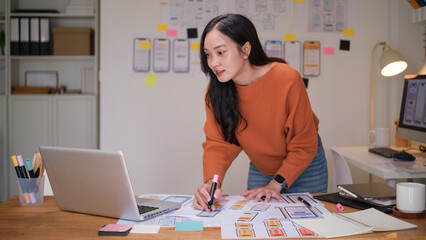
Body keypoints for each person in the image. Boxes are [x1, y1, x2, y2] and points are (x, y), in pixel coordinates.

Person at [193, 13, 328, 212]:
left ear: (245, 49)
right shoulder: (216, 92)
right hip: (262, 168)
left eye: (220, 52)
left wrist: (276, 184)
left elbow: (303, 144)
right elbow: (218, 144)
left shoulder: (287, 78)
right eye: (208, 54)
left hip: (305, 166)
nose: (213, 63)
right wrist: (211, 184)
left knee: (309, 226)